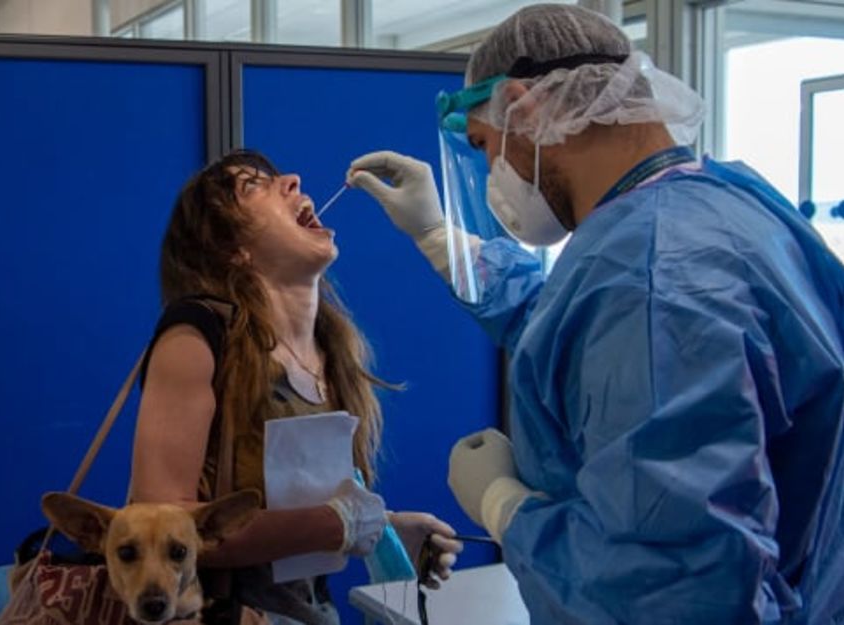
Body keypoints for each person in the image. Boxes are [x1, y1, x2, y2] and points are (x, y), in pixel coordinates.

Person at [347, 4, 844, 625]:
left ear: (525, 109)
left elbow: (668, 593)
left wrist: (504, 505)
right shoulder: (724, 205)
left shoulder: (651, 276)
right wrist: (440, 240)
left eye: (483, 145)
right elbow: (589, 346)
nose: (491, 171)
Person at [129, 150, 463, 625]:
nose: (293, 179)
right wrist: (342, 525)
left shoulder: (333, 352)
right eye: (253, 186)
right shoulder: (196, 336)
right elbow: (159, 528)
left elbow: (292, 518)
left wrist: (383, 534)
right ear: (231, 249)